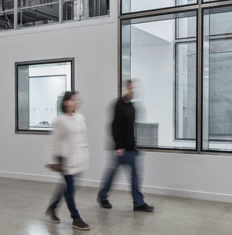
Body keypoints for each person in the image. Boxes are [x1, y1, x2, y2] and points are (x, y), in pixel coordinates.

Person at [97, 80, 154, 212]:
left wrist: (135, 145)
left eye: (134, 88)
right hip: (121, 148)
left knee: (134, 174)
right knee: (113, 174)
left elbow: (131, 128)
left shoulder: (132, 107)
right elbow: (114, 126)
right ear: (126, 89)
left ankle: (138, 203)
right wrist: (118, 146)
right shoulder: (119, 105)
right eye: (130, 88)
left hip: (131, 148)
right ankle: (103, 196)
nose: (133, 91)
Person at [46, 91, 90, 231]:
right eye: (73, 99)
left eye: (76, 99)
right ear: (66, 102)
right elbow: (55, 141)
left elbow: (82, 138)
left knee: (68, 187)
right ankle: (75, 218)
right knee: (70, 189)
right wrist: (54, 160)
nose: (76, 101)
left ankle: (52, 208)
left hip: (79, 158)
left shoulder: (80, 117)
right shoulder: (60, 120)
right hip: (65, 158)